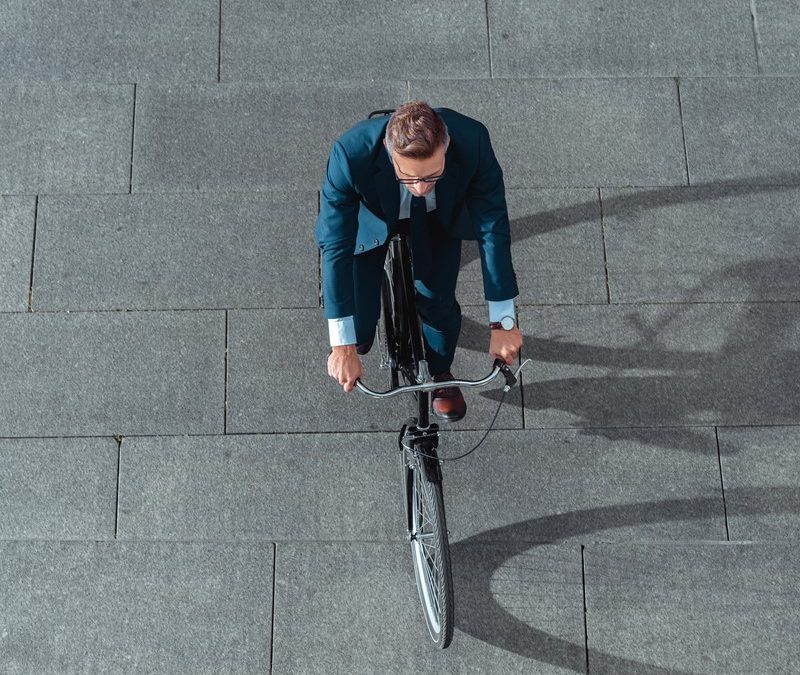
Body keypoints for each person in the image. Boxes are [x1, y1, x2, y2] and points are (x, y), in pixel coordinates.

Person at [316, 100, 522, 421]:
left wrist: (504, 322)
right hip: (372, 222)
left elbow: (493, 228)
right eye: (407, 177)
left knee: (438, 303)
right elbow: (335, 245)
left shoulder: (473, 141)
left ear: (447, 144)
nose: (420, 188)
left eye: (432, 175)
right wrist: (342, 346)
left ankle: (441, 373)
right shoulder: (349, 154)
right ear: (387, 149)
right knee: (359, 333)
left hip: (439, 220)